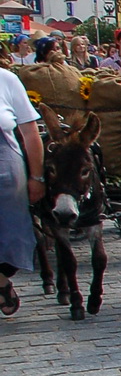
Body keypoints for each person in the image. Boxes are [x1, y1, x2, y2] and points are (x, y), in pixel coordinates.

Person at [0, 63, 46, 317]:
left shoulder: (6, 80)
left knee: (11, 232)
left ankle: (2, 279)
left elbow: (29, 131)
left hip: (5, 167)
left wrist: (37, 176)